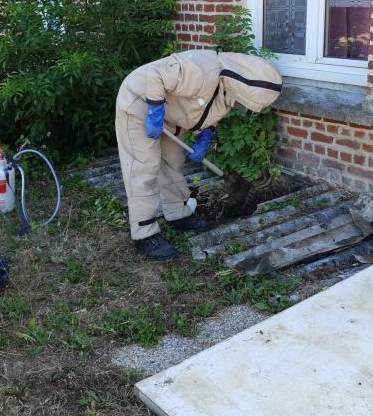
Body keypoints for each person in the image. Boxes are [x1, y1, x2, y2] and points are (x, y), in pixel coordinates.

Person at [115, 49, 283, 259]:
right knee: (144, 166)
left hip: (170, 114)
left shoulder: (228, 89)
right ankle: (144, 232)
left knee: (174, 163)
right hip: (141, 103)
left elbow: (210, 110)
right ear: (245, 90)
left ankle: (179, 215)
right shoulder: (202, 71)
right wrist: (155, 112)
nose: (245, 108)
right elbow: (156, 75)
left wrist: (205, 136)